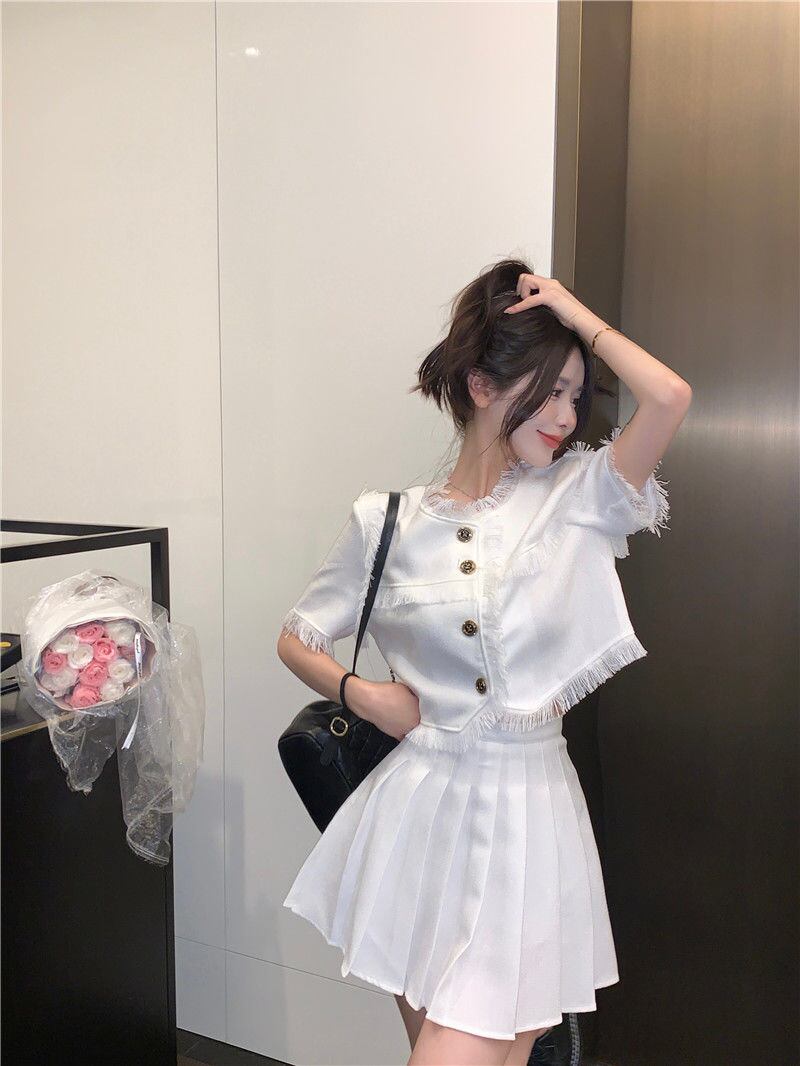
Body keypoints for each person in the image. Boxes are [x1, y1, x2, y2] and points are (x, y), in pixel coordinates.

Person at [277, 259, 692, 1066]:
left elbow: (669, 397)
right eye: (551, 391)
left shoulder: (580, 495)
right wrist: (364, 696)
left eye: (577, 395)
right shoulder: (387, 522)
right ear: (480, 386)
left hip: (529, 817)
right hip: (418, 819)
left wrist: (572, 313)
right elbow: (296, 637)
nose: (567, 416)